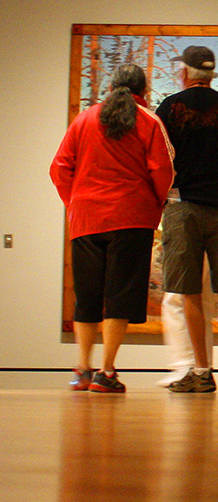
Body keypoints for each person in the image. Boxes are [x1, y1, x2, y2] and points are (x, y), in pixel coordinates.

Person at [50, 63, 175, 393]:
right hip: (131, 218)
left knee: (86, 297)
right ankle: (107, 372)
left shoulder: (85, 118)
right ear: (143, 92)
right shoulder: (148, 121)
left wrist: (74, 202)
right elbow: (163, 170)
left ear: (111, 86)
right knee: (120, 295)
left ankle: (82, 370)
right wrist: (156, 204)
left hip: (87, 219)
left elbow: (59, 167)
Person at [156, 45, 218, 393]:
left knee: (189, 292)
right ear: (211, 75)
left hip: (183, 206)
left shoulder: (169, 107)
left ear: (184, 72)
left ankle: (201, 371)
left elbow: (157, 160)